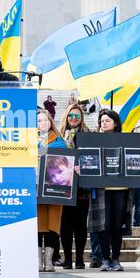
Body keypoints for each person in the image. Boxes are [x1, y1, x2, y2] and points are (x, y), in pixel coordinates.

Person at [89, 109, 129, 271]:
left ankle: (116, 259)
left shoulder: (126, 139)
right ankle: (105, 258)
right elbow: (87, 158)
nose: (103, 123)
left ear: (116, 123)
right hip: (102, 189)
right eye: (102, 121)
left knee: (117, 225)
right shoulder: (93, 139)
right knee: (103, 225)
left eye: (107, 120)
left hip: (121, 188)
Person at [59, 104, 91, 269]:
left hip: (81, 187)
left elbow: (93, 158)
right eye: (71, 115)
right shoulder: (58, 136)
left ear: (82, 118)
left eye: (77, 116)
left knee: (80, 224)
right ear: (66, 116)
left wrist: (83, 166)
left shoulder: (87, 135)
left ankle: (79, 258)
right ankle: (66, 259)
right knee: (65, 224)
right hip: (62, 185)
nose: (73, 119)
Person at [37, 109, 67, 272]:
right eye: (39, 120)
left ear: (51, 122)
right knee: (38, 223)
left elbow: (64, 160)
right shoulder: (28, 140)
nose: (42, 123)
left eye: (45, 120)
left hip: (55, 187)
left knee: (53, 223)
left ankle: (48, 261)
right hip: (35, 186)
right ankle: (38, 260)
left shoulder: (59, 141)